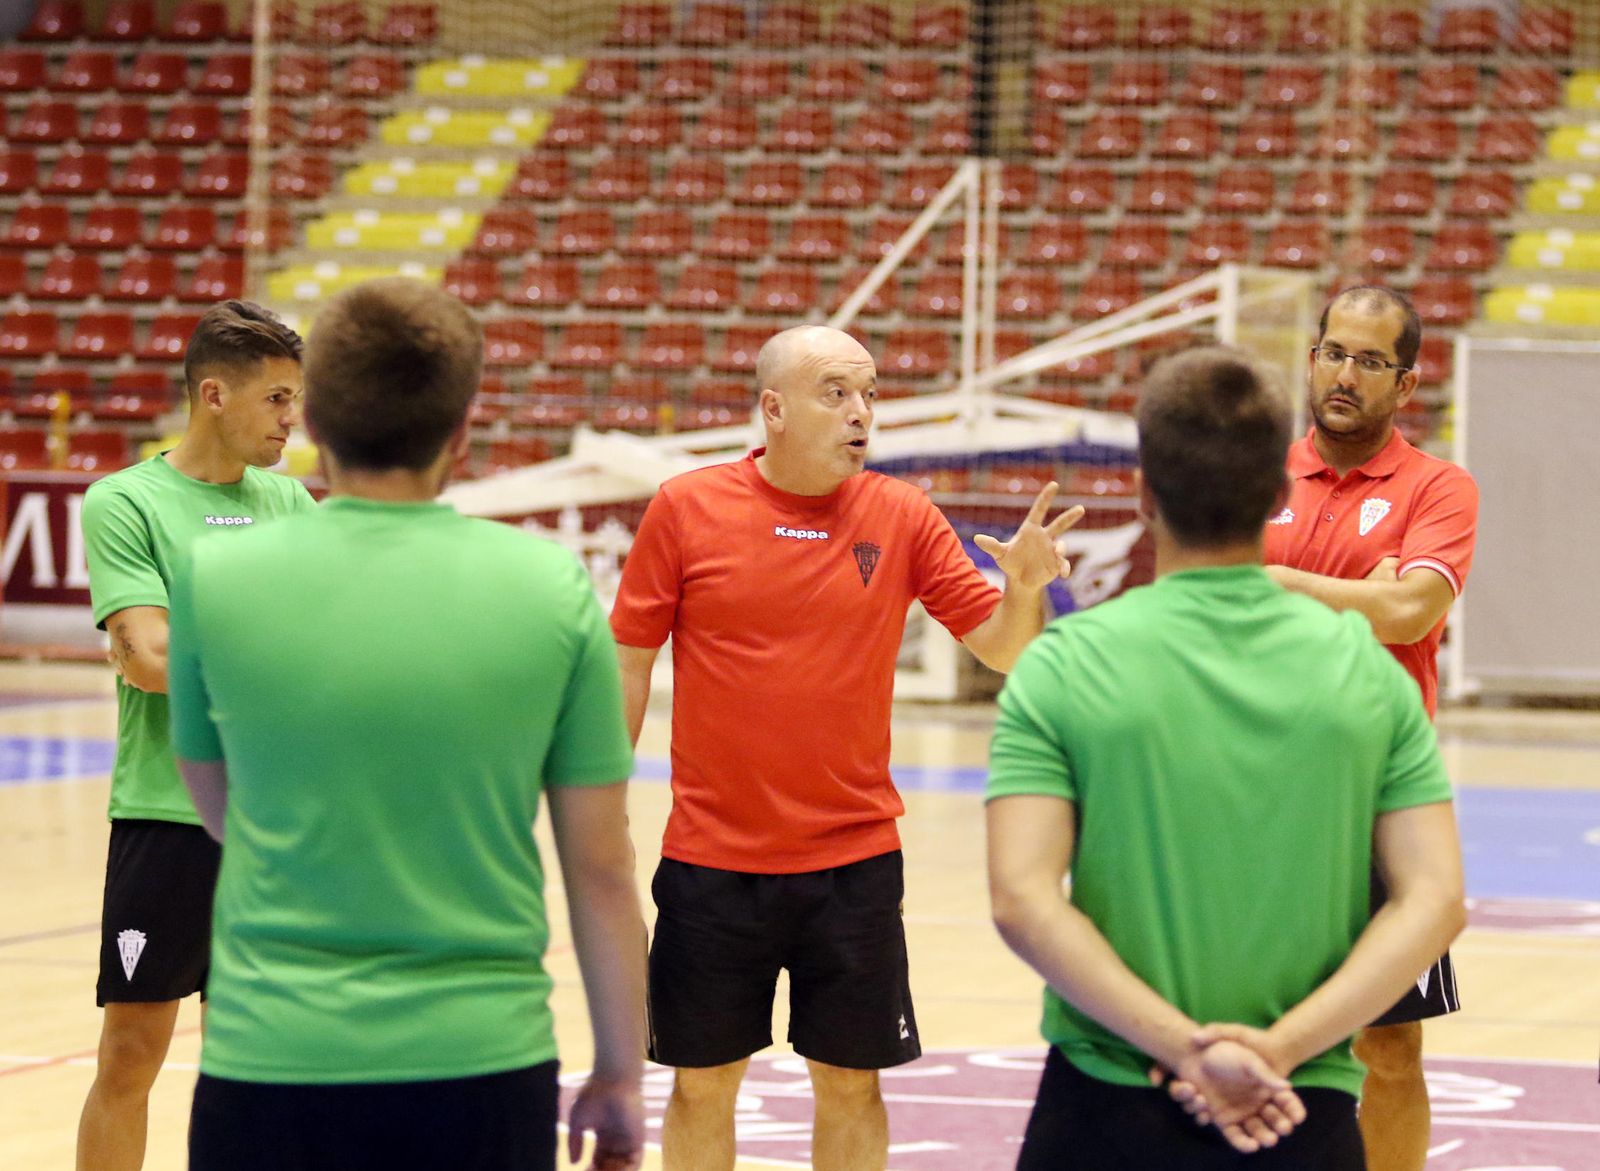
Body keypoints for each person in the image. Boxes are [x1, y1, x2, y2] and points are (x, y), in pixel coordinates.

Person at [165, 277, 647, 1171]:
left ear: (315, 425)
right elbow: (602, 865)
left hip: (271, 1055)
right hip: (482, 1062)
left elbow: (221, 809)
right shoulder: (552, 589)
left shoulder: (213, 579)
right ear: (461, 433)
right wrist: (620, 1072)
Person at [610, 324, 1084, 1171]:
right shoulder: (685, 507)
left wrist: (1022, 591)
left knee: (852, 1085)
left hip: (853, 862)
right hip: (711, 861)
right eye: (835, 393)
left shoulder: (902, 514)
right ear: (774, 408)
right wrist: (605, 802)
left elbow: (1005, 650)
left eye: (869, 394)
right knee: (701, 1085)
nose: (861, 411)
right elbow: (630, 657)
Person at [986, 345, 1467, 1169]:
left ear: (1144, 494)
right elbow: (1436, 899)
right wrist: (1278, 1048)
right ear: (1280, 493)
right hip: (1298, 1105)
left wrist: (1186, 1047)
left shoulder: (1063, 665)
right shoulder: (1366, 673)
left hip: (1104, 1103)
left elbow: (1022, 900)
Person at [78, 300, 314, 1171]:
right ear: (214, 394)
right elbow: (147, 658)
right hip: (166, 816)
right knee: (130, 1055)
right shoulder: (124, 501)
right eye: (277, 400)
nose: (291, 421)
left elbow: (331, 644)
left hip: (276, 824)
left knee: (257, 1065)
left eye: (295, 400)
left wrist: (196, 645)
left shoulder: (292, 502)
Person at [1264, 286, 1479, 1171]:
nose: (1344, 375)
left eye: (1369, 360)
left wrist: (1277, 585)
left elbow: (1410, 609)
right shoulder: (1257, 476)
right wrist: (1364, 593)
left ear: (1406, 381)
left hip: (1381, 800)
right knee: (1248, 1030)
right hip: (1256, 793)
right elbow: (1202, 600)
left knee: (1390, 1045)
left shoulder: (1440, 487)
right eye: (1333, 353)